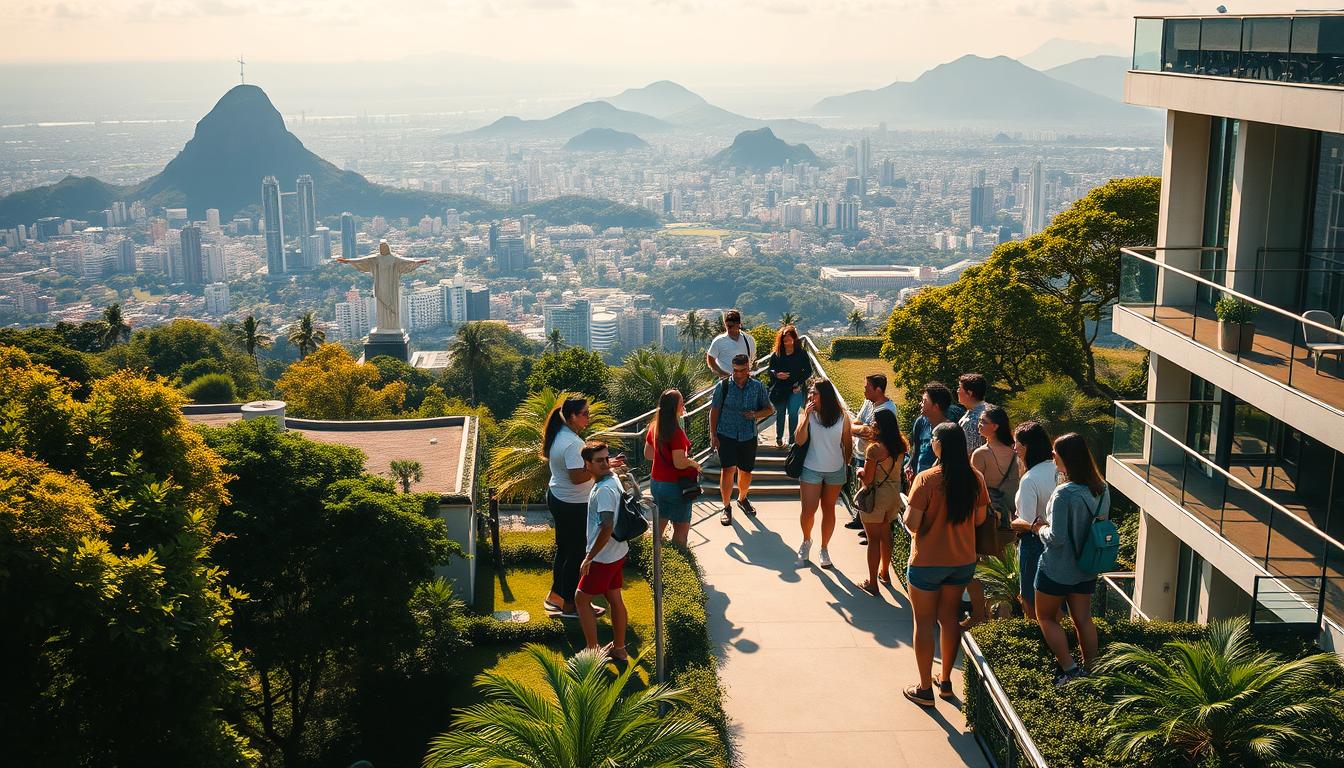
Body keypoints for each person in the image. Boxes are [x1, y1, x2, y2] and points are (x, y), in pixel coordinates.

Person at [902, 423, 988, 707]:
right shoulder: (975, 478)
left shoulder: (927, 480)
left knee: (924, 622)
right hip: (962, 561)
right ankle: (946, 680)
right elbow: (978, 520)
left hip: (927, 561)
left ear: (939, 444)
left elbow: (912, 522)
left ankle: (924, 688)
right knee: (949, 618)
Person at [1031, 432, 1109, 686]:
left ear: (1065, 457)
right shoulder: (1102, 488)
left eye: (1055, 452)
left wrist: (1036, 528)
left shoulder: (1065, 493)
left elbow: (1057, 537)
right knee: (1083, 619)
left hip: (1057, 568)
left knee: (1045, 617)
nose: (1052, 455)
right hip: (1087, 567)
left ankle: (1070, 668)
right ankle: (1092, 670)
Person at [542, 395, 601, 619]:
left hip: (560, 498)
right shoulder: (572, 443)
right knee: (576, 554)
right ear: (572, 416)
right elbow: (577, 477)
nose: (588, 417)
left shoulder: (562, 435)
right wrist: (601, 470)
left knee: (565, 550)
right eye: (585, 413)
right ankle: (570, 605)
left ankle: (556, 596)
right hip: (572, 504)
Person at [963, 405, 1018, 627]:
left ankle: (979, 615)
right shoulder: (1016, 453)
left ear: (995, 427)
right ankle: (1002, 621)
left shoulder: (981, 454)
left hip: (985, 520)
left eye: (983, 422)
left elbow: (973, 491)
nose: (979, 425)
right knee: (1005, 572)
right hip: (1010, 521)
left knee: (975, 568)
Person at [575, 441, 630, 659]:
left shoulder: (604, 490)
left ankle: (592, 650)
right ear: (588, 463)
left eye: (607, 459)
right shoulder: (612, 478)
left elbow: (607, 527)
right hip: (618, 552)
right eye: (600, 460)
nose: (606, 464)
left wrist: (589, 558)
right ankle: (619, 649)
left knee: (581, 599)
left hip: (604, 557)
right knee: (614, 597)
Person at [709, 352, 774, 526]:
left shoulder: (757, 386)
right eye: (735, 370)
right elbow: (714, 411)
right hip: (726, 434)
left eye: (742, 370)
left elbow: (769, 409)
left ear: (748, 368)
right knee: (728, 469)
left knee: (746, 471)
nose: (738, 374)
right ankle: (726, 506)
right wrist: (713, 435)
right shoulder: (722, 386)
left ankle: (742, 498)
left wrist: (755, 414)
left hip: (748, 435)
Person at [794, 378, 853, 569]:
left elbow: (847, 442)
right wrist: (805, 417)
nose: (811, 396)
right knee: (808, 511)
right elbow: (799, 440)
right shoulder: (807, 413)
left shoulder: (842, 417)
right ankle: (806, 540)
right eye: (810, 392)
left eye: (815, 393)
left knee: (829, 510)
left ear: (825, 395)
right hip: (811, 468)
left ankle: (824, 548)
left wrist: (847, 464)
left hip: (835, 470)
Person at [856, 409, 907, 595]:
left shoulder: (875, 449)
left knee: (873, 540)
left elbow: (868, 479)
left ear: (880, 425)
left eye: (874, 421)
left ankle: (872, 583)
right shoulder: (901, 444)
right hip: (894, 494)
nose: (872, 423)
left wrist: (859, 472)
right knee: (886, 534)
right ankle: (885, 572)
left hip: (876, 495)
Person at [1009, 421, 1056, 621]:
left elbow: (1027, 522)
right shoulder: (1059, 471)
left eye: (1016, 443)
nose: (1014, 448)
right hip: (1060, 542)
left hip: (1035, 544)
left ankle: (1040, 640)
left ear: (1026, 446)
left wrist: (1013, 523)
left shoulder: (1030, 479)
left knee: (1030, 602)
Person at [644, 388, 701, 546]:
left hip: (656, 483)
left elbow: (648, 454)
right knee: (681, 530)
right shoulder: (676, 432)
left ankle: (655, 562)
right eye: (682, 403)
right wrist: (693, 463)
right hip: (675, 485)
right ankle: (679, 562)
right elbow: (679, 463)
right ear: (675, 407)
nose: (683, 406)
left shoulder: (654, 426)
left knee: (659, 526)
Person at [845, 373, 899, 532]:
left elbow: (868, 432)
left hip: (876, 457)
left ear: (878, 389)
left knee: (871, 490)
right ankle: (860, 519)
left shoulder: (887, 409)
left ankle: (870, 529)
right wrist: (861, 429)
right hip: (862, 454)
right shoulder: (869, 403)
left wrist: (858, 430)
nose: (864, 391)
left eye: (867, 388)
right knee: (863, 489)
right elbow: (857, 423)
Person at [767, 324, 812, 449]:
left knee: (793, 413)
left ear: (794, 339)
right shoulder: (777, 354)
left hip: (795, 388)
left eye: (789, 339)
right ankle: (779, 438)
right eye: (784, 339)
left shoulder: (801, 354)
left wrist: (800, 383)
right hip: (780, 389)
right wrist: (777, 374)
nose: (786, 342)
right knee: (780, 413)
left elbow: (808, 371)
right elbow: (770, 370)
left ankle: (792, 439)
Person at [905, 382, 953, 485]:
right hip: (919, 480)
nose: (920, 404)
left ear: (936, 406)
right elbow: (916, 448)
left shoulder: (950, 430)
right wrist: (910, 466)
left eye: (924, 401)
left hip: (939, 485)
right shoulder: (920, 422)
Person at [706, 309, 756, 379]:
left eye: (731, 326)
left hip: (744, 380)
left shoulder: (749, 340)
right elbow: (710, 359)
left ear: (739, 324)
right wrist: (722, 373)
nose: (729, 329)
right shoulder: (719, 341)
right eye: (727, 326)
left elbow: (752, 359)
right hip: (726, 381)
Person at [957, 373, 990, 454]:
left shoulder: (973, 419)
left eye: (960, 388)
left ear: (969, 393)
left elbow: (970, 452)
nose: (957, 391)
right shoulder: (991, 410)